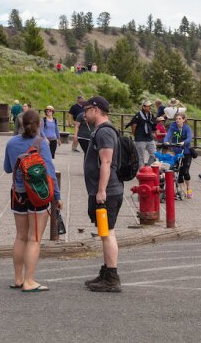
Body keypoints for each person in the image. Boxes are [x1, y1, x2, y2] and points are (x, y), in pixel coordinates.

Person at [4, 109, 62, 291]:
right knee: (34, 238)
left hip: (18, 194)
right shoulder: (41, 143)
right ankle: (30, 281)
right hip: (38, 195)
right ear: (39, 125)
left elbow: (7, 168)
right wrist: (57, 197)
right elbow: (50, 173)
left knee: (20, 237)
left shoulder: (11, 143)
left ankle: (18, 278)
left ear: (21, 124)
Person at [82, 95, 123, 292]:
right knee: (104, 232)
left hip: (108, 191)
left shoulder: (105, 132)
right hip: (106, 190)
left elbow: (106, 162)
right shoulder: (101, 131)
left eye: (86, 110)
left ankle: (112, 277)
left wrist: (101, 190)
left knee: (108, 233)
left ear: (96, 110)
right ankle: (106, 272)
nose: (84, 114)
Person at [165, 114, 193, 198]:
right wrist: (166, 141)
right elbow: (168, 134)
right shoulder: (173, 126)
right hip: (176, 151)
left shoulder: (187, 128)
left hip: (186, 151)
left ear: (183, 120)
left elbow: (189, 138)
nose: (177, 120)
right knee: (179, 171)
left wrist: (184, 142)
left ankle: (188, 188)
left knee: (185, 171)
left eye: (179, 119)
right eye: (176, 119)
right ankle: (182, 190)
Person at [126, 99, 157, 166]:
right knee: (140, 157)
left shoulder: (151, 115)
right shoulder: (138, 115)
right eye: (148, 106)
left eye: (150, 106)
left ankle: (148, 167)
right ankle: (141, 171)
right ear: (143, 107)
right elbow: (133, 125)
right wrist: (136, 135)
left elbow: (153, 124)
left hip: (149, 138)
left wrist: (152, 132)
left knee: (154, 154)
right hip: (140, 138)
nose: (150, 107)